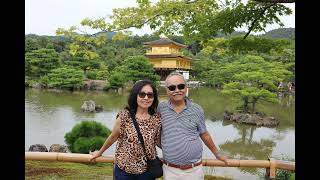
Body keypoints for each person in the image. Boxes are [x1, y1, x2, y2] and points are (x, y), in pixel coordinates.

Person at [157, 72, 228, 180]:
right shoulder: (161, 108)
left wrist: (217, 153)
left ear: (186, 87)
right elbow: (153, 131)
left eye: (181, 86)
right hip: (170, 170)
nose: (177, 90)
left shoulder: (196, 109)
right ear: (166, 90)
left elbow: (204, 134)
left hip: (194, 170)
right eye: (172, 88)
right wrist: (167, 147)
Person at [90, 80, 161, 180]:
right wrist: (100, 152)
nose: (146, 98)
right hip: (125, 170)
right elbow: (113, 136)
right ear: (135, 96)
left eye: (150, 95)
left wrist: (175, 154)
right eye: (142, 94)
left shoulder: (157, 118)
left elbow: (157, 141)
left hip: (147, 170)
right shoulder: (124, 116)